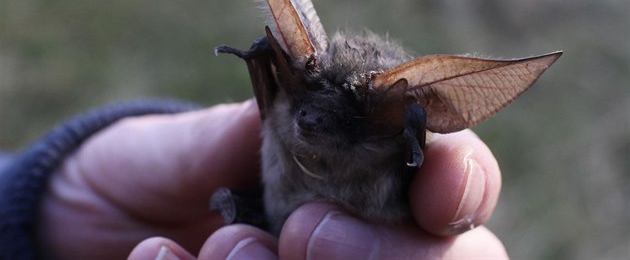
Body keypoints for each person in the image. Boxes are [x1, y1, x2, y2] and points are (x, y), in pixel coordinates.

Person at [0, 99, 507, 259]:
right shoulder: (286, 112)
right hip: (271, 211)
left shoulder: (399, 141)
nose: (309, 124)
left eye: (332, 119)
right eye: (307, 109)